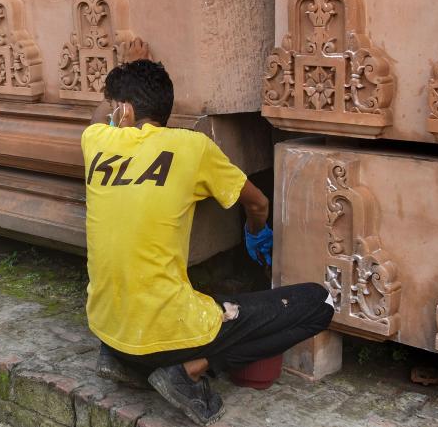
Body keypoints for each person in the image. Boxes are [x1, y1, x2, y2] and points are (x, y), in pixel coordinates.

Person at [84, 39, 334, 426]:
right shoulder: (191, 147)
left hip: (108, 327)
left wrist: (128, 73)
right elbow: (258, 203)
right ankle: (189, 369)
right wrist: (256, 231)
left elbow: (100, 116)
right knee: (320, 303)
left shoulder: (96, 141)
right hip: (165, 333)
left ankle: (121, 360)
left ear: (123, 110)